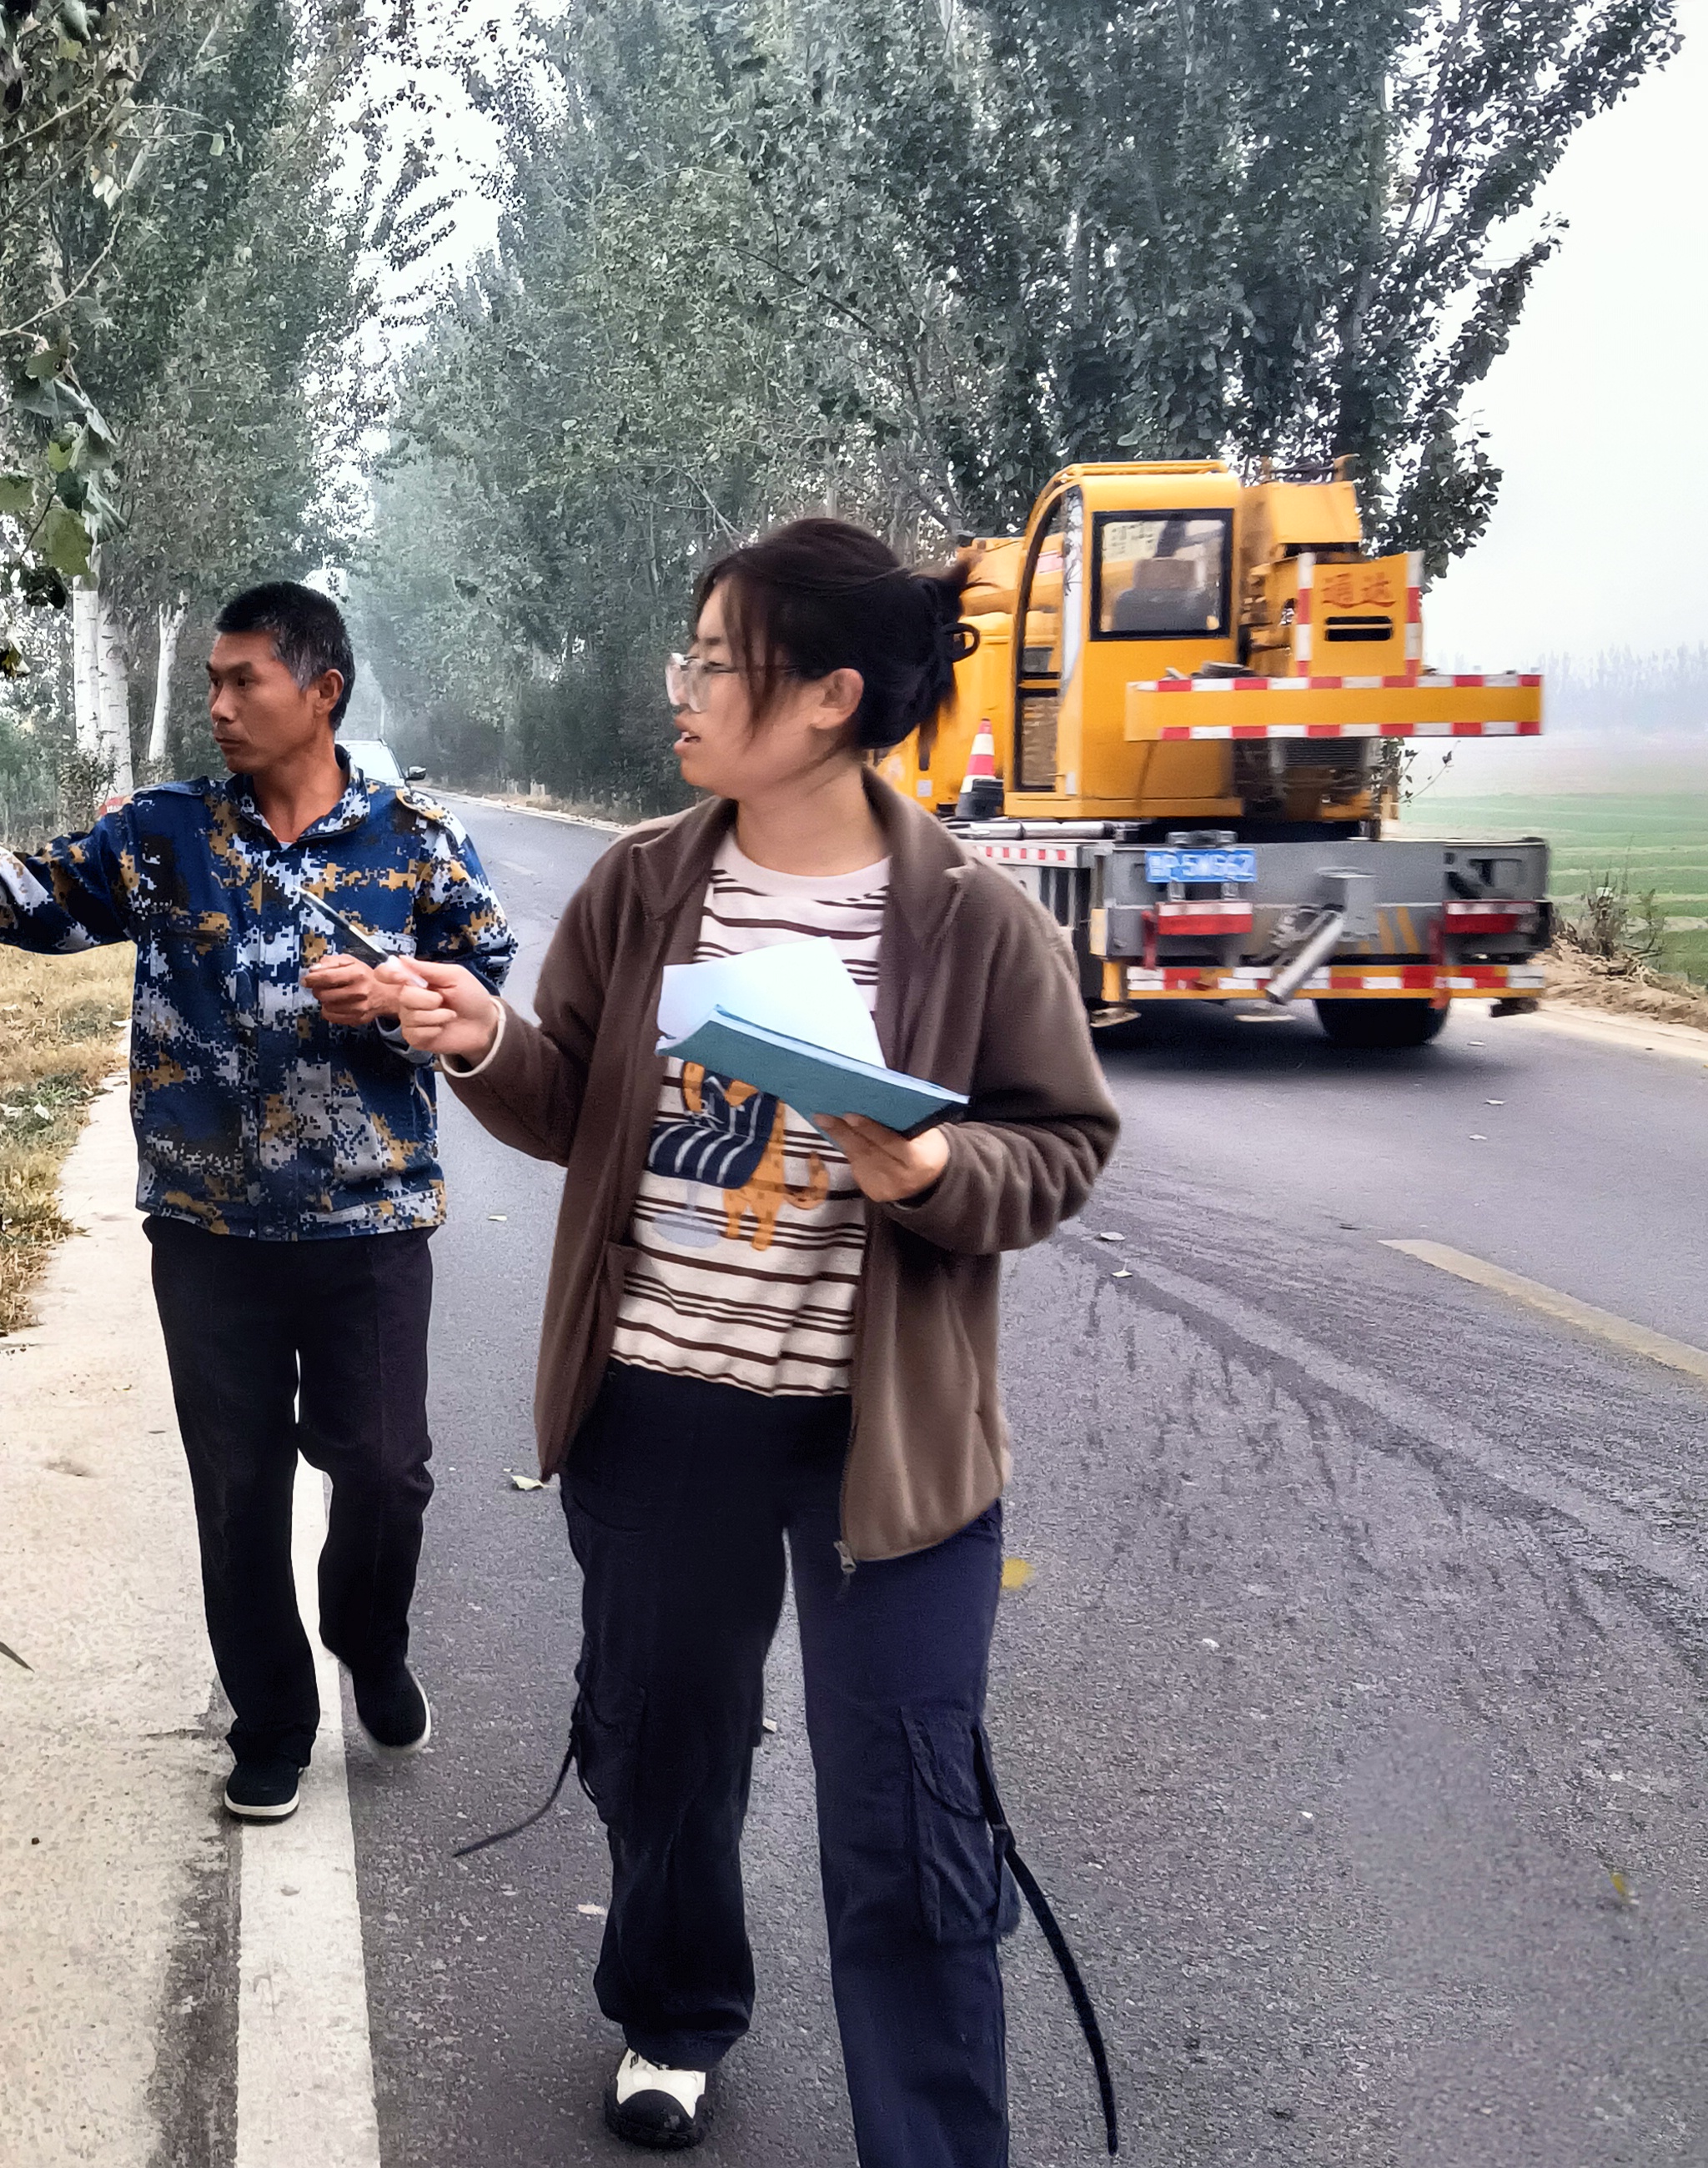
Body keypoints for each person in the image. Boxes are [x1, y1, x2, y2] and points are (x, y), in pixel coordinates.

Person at [390, 519, 1118, 2157]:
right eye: (694, 654)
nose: (685, 685)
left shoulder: (970, 925)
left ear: (825, 697)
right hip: (662, 1414)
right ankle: (670, 2010)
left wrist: (934, 1167)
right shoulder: (643, 884)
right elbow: (570, 1099)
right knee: (665, 1750)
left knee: (907, 1826)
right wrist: (482, 1037)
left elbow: (1058, 1145)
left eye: (716, 660)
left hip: (889, 1450)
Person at [0, 580, 516, 1824]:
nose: (218, 706)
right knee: (237, 1489)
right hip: (209, 1230)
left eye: (244, 683)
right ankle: (273, 1720)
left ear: (320, 692)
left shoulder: (416, 839)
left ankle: (368, 1642)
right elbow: (28, 902)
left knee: (385, 1475)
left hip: (368, 1224)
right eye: (212, 684)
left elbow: (482, 988)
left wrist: (403, 1001)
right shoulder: (167, 832)